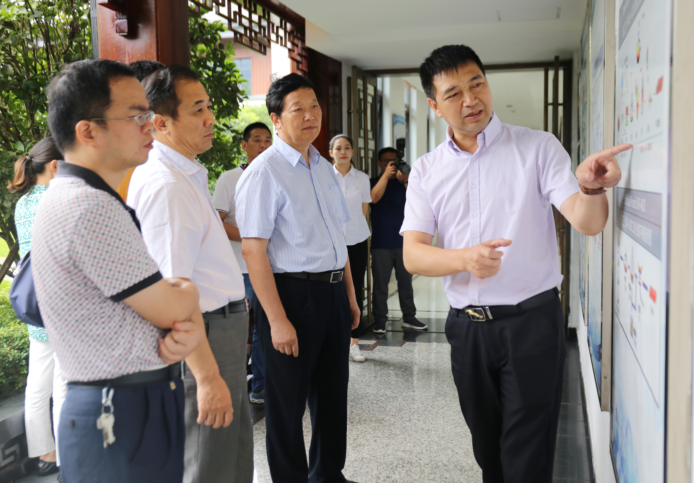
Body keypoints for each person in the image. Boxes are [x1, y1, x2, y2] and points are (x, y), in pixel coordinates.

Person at [401, 44, 630, 483]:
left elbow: (587, 222)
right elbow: (413, 254)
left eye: (477, 84)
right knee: (489, 454)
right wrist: (465, 259)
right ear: (434, 106)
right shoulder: (427, 170)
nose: (471, 100)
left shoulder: (537, 147)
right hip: (467, 330)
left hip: (531, 325)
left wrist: (591, 189)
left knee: (526, 458)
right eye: (454, 93)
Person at [31, 58, 204, 483]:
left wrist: (178, 315)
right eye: (136, 116)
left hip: (124, 403)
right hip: (117, 413)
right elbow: (171, 306)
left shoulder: (78, 195)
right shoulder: (88, 207)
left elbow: (161, 309)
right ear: (87, 131)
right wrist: (186, 295)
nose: (150, 126)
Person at [128, 65, 253, 483]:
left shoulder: (187, 174)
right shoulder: (168, 185)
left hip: (222, 329)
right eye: (198, 109)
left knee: (230, 454)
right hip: (205, 335)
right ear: (160, 123)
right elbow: (169, 295)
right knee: (207, 460)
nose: (210, 118)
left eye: (209, 107)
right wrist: (206, 376)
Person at [236, 73, 361, 483]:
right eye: (298, 109)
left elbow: (337, 236)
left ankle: (327, 474)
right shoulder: (264, 172)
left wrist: (350, 295)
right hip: (292, 295)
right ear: (276, 118)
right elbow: (253, 251)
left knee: (332, 394)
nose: (310, 116)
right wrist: (277, 320)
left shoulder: (323, 167)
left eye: (314, 107)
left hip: (332, 293)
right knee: (287, 403)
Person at [8, 137, 67, 478]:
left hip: (33, 300)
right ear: (56, 166)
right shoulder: (59, 198)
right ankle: (67, 454)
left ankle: (45, 454)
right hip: (60, 300)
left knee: (38, 384)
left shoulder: (24, 202)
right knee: (63, 385)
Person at [212, 121, 273, 404]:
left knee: (265, 328)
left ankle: (260, 385)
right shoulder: (229, 178)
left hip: (271, 267)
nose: (263, 145)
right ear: (244, 145)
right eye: (257, 140)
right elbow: (218, 221)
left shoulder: (276, 176)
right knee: (238, 328)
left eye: (267, 140)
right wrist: (252, 240)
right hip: (240, 268)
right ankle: (232, 387)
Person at [370, 148, 427, 334]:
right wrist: (386, 176)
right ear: (380, 163)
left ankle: (409, 317)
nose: (392, 164)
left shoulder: (407, 183)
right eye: (387, 161)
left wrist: (405, 181)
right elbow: (373, 198)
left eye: (394, 161)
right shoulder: (373, 182)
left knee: (406, 283)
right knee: (380, 285)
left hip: (405, 242)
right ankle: (379, 320)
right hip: (381, 243)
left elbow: (418, 202)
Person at [329, 134, 371, 363]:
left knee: (355, 287)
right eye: (338, 148)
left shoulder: (362, 179)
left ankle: (354, 343)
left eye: (347, 148)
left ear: (353, 151)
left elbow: (363, 212)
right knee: (333, 290)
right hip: (331, 242)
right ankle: (335, 341)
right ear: (331, 153)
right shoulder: (324, 176)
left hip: (356, 241)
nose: (343, 152)